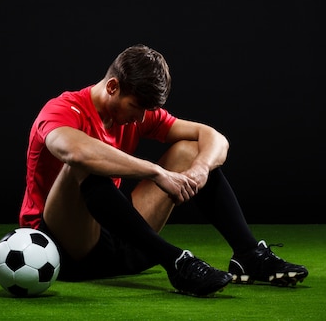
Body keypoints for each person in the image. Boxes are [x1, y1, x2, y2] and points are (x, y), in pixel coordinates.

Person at [19, 44, 308, 297]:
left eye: (148, 110)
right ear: (112, 87)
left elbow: (214, 138)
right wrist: (156, 172)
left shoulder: (136, 116)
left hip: (121, 244)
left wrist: (200, 169)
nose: (141, 118)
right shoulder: (63, 109)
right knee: (81, 165)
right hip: (61, 249)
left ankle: (249, 255)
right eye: (136, 107)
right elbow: (76, 151)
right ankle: (176, 262)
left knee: (189, 150)